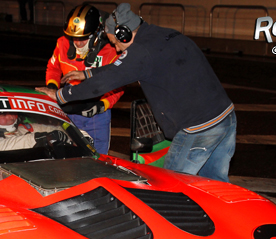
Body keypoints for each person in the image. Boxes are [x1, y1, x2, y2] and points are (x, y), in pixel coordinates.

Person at [37, 3, 236, 182]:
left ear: (124, 33)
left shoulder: (141, 51)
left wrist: (61, 96)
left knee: (172, 184)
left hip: (198, 128)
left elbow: (105, 82)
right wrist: (87, 73)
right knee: (216, 185)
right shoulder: (163, 35)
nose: (116, 49)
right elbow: (120, 69)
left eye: (115, 42)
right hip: (225, 116)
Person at [45, 4, 123, 155]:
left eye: (83, 38)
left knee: (97, 157)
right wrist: (52, 88)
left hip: (96, 112)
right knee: (66, 155)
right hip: (68, 105)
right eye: (74, 37)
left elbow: (119, 84)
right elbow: (53, 68)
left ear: (96, 34)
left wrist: (102, 105)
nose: (77, 43)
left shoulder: (111, 51)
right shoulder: (62, 43)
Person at [0, 113, 69, 151]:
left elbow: (59, 130)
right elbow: (4, 146)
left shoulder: (25, 128)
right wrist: (42, 138)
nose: (11, 117)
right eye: (3, 114)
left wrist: (66, 135)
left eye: (12, 112)